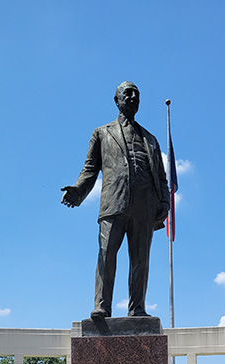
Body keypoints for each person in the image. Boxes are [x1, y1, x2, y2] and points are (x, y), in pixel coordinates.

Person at [61, 81, 170, 319]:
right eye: (127, 94)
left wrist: (164, 202)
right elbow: (90, 168)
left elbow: (161, 177)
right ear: (116, 100)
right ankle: (102, 305)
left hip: (145, 205)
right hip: (113, 203)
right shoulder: (102, 132)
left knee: (141, 259)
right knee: (106, 254)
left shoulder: (150, 139)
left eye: (137, 95)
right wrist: (78, 191)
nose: (132, 97)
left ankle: (137, 308)